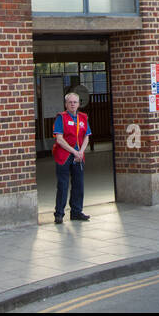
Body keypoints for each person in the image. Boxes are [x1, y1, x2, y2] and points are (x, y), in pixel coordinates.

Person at [53, 91, 91, 223]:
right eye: (70, 102)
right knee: (63, 185)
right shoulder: (61, 118)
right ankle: (59, 214)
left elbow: (87, 136)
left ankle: (76, 211)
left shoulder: (83, 118)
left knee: (78, 184)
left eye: (75, 102)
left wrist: (81, 151)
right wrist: (74, 152)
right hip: (64, 156)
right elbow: (59, 139)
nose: (73, 104)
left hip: (79, 155)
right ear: (66, 104)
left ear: (79, 104)